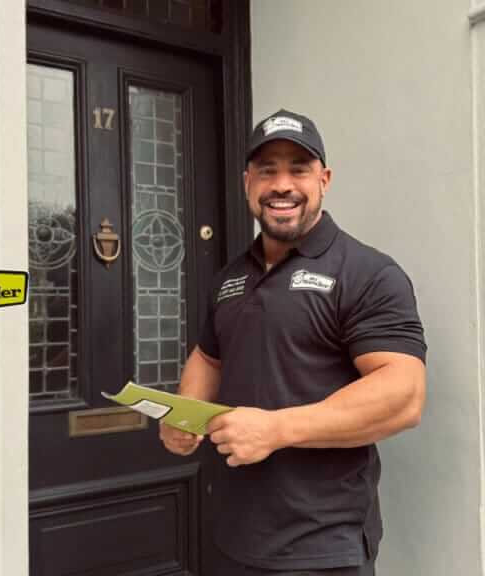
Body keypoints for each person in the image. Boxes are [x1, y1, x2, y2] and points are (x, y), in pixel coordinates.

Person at [159, 109, 426, 575]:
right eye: (267, 171)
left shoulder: (367, 272)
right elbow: (209, 356)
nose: (281, 185)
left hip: (322, 545)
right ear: (247, 183)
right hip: (229, 534)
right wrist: (182, 416)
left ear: (324, 180)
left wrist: (275, 429)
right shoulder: (230, 279)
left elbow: (404, 395)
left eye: (298, 169)